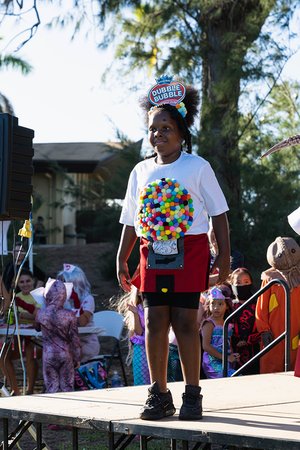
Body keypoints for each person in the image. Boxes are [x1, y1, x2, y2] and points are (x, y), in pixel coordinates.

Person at [116, 75, 230, 421]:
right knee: (153, 321)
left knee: (184, 321)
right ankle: (159, 394)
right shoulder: (140, 171)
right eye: (153, 128)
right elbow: (131, 220)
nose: (158, 134)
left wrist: (223, 256)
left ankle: (192, 394)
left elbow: (219, 214)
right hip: (153, 253)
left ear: (181, 132)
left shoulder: (198, 167)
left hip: (190, 250)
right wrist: (122, 257)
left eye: (166, 127)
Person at [256, 236, 300, 373]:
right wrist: (263, 329)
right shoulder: (269, 278)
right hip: (273, 330)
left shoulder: (298, 276)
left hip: (296, 329)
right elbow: (261, 306)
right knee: (271, 362)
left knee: (293, 361)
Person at [34, 279, 81, 395]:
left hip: (48, 354)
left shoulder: (40, 313)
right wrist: (77, 357)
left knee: (51, 387)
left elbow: (36, 328)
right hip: (65, 354)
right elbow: (75, 340)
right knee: (67, 387)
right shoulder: (70, 315)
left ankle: (52, 410)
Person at [0, 269, 42, 395]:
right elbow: (14, 317)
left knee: (31, 352)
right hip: (20, 338)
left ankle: (30, 390)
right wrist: (29, 315)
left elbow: (40, 315)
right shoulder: (15, 298)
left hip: (38, 340)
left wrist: (24, 315)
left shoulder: (40, 296)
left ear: (33, 281)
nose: (25, 284)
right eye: (21, 282)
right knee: (2, 356)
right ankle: (15, 390)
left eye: (28, 281)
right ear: (17, 284)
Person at [57, 264, 100, 363]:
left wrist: (75, 300)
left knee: (65, 354)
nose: (61, 284)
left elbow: (82, 322)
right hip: (66, 341)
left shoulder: (88, 299)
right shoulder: (61, 300)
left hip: (85, 342)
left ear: (74, 283)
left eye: (65, 282)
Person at [201, 286, 239, 378]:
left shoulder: (228, 324)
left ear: (227, 306)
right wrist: (225, 358)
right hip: (212, 362)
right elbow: (206, 346)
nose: (216, 308)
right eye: (213, 304)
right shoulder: (209, 323)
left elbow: (228, 344)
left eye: (220, 304)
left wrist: (232, 356)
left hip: (225, 360)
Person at [117, 285, 150, 386]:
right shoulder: (137, 308)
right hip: (142, 346)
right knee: (142, 379)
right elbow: (138, 332)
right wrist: (135, 314)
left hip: (158, 344)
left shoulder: (159, 308)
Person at [230, 268, 260, 375]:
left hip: (255, 350)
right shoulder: (228, 305)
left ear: (251, 283)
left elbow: (262, 326)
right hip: (234, 351)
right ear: (232, 284)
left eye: (246, 282)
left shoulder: (258, 303)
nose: (242, 285)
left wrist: (248, 340)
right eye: (238, 283)